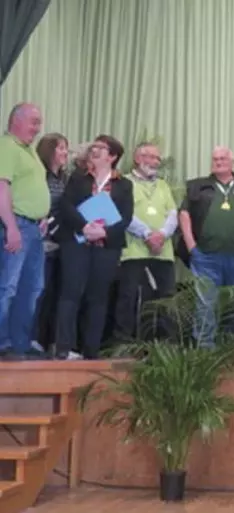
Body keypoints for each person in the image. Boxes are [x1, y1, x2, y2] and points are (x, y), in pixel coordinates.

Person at [55, 135, 133, 359]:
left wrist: (105, 232)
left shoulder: (124, 184)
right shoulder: (78, 178)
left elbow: (125, 217)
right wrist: (84, 226)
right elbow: (66, 205)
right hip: (76, 243)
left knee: (98, 298)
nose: (95, 150)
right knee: (70, 294)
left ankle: (91, 350)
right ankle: (64, 347)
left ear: (113, 156)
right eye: (94, 147)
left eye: (101, 147)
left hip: (106, 247)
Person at [178, 146, 234, 344]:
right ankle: (205, 350)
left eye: (223, 158)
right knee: (205, 305)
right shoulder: (198, 186)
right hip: (205, 256)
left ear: (232, 162)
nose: (218, 162)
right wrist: (191, 246)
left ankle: (232, 347)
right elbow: (184, 214)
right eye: (215, 159)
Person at [114, 143, 178, 341]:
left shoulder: (163, 185)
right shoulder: (124, 183)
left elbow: (173, 214)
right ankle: (124, 343)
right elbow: (123, 214)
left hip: (163, 253)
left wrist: (162, 235)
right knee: (129, 298)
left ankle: (162, 345)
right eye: (150, 157)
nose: (154, 162)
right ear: (137, 158)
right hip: (134, 252)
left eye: (157, 158)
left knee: (166, 300)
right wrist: (148, 234)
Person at [0, 103, 49, 360]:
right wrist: (10, 226)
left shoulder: (28, 150)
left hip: (33, 227)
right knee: (7, 286)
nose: (37, 128)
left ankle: (20, 343)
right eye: (34, 122)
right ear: (15, 121)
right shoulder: (7, 146)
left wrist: (40, 216)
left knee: (31, 287)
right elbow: (1, 188)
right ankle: (3, 343)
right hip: (15, 224)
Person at [31, 132, 69, 353]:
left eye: (66, 148)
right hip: (41, 241)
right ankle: (31, 337)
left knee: (54, 294)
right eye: (61, 148)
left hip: (61, 244)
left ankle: (47, 340)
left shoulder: (65, 178)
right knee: (37, 291)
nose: (65, 153)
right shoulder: (40, 176)